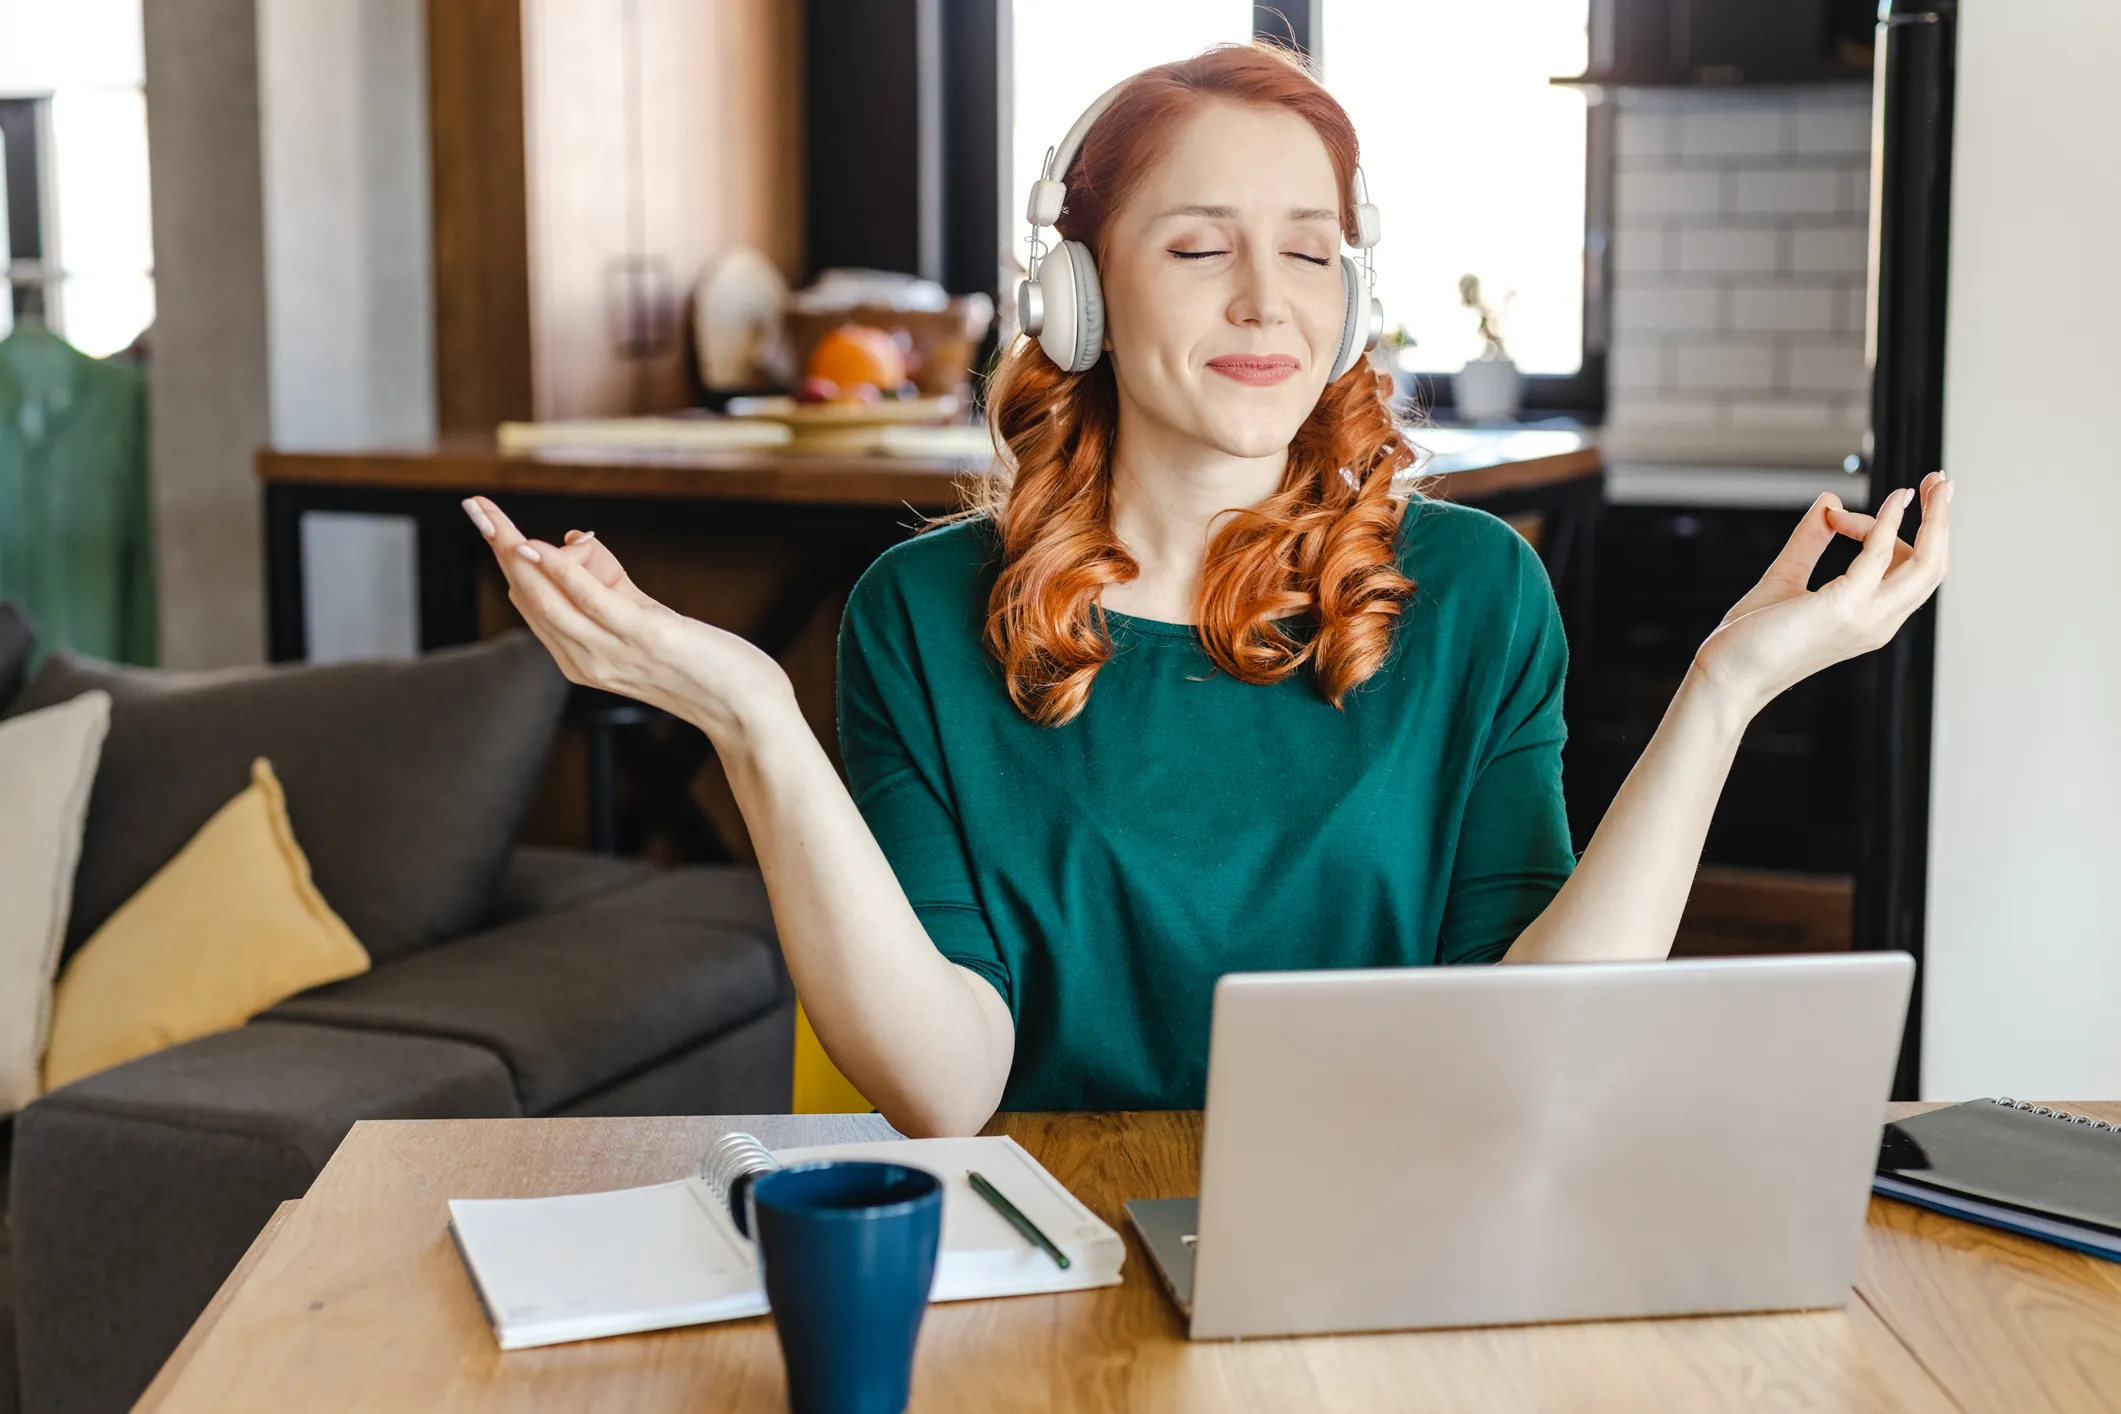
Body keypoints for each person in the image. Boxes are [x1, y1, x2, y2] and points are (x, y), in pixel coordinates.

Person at [460, 44, 1948, 1137]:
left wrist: (1726, 688)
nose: (1266, 301)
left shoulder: (1477, 592)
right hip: (1056, 1256)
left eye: (1310, 253)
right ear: (1080, 296)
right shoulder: (918, 617)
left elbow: (1537, 1035)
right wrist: (753, 721)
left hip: (1392, 1237)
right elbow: (947, 1080)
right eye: (1198, 247)